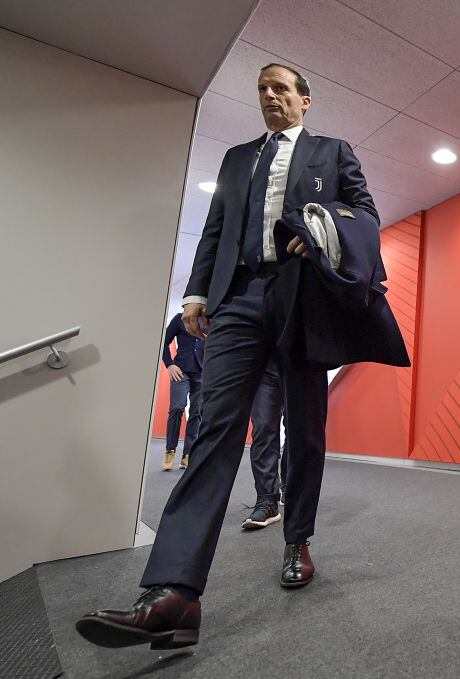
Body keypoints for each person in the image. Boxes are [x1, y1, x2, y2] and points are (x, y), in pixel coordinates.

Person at [76, 63, 406, 650]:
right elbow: (216, 229)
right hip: (239, 298)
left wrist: (324, 226)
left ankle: (297, 540)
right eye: (262, 89)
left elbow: (367, 216)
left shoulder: (333, 152)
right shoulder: (235, 159)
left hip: (306, 298)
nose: (270, 96)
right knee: (215, 430)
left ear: (305, 101)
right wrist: (198, 292)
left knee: (304, 428)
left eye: (281, 88)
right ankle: (173, 594)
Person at [243, 361, 286, 529]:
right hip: (265, 365)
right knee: (262, 430)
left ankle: (290, 486)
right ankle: (267, 500)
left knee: (298, 432)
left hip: (301, 360)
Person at [160, 311, 204, 471]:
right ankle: (170, 450)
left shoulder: (210, 319)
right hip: (180, 370)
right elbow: (163, 341)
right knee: (177, 408)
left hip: (202, 373)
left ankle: (188, 454)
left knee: (196, 413)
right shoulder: (180, 318)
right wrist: (170, 364)